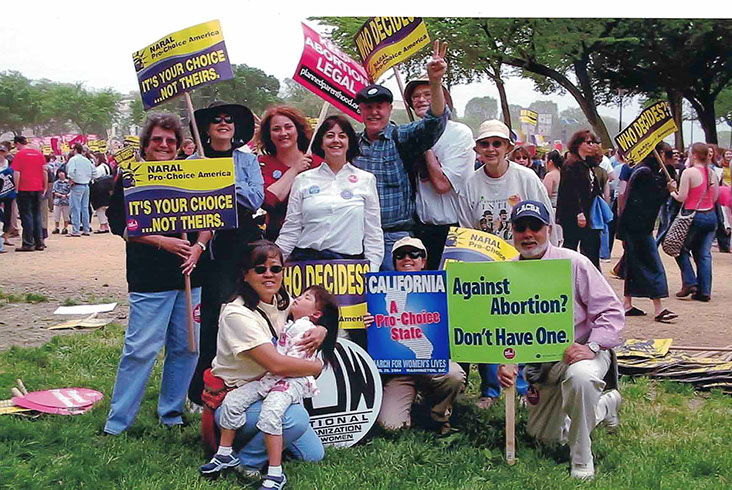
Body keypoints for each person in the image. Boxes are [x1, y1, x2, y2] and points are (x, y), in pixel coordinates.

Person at [497, 200, 624, 480]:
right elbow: (504, 325)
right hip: (542, 366)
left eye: (535, 227)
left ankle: (582, 459)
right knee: (545, 438)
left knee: (581, 379)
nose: (528, 234)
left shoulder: (575, 263)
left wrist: (591, 346)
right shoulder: (506, 272)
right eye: (520, 228)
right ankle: (605, 405)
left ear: (549, 230)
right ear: (512, 232)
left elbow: (612, 312)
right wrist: (504, 360)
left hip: (582, 353)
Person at [103, 112, 211, 435]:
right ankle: (118, 422)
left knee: (187, 347)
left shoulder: (192, 174)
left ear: (179, 145)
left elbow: (211, 216)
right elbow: (119, 224)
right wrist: (163, 241)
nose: (164, 145)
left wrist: (198, 247)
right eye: (157, 140)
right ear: (146, 144)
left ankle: (172, 413)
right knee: (140, 350)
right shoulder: (131, 177)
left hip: (190, 276)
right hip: (149, 278)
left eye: (170, 141)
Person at [203, 240, 326, 481]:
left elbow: (311, 315)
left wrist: (322, 330)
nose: (269, 275)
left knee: (313, 455)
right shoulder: (236, 313)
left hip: (270, 389)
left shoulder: (280, 299)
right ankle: (245, 461)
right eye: (260, 269)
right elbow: (276, 365)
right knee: (296, 419)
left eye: (275, 268)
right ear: (245, 274)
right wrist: (316, 367)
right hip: (236, 399)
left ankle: (266, 439)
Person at [457, 119, 555, 409]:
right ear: (477, 149)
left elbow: (548, 221)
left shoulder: (526, 178)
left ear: (508, 147)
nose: (491, 149)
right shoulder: (470, 185)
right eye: (485, 144)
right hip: (488, 269)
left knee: (522, 325)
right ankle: (490, 390)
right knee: (491, 329)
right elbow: (467, 230)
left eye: (497, 143)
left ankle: (524, 388)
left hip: (525, 264)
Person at [187, 101, 265, 408]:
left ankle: (245, 381)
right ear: (206, 129)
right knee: (211, 319)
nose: (223, 123)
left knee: (246, 312)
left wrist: (223, 180)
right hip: (209, 249)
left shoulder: (247, 161)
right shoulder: (192, 162)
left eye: (228, 120)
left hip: (242, 244)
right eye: (216, 119)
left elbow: (255, 197)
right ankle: (201, 389)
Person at [352, 41, 450, 270]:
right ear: (360, 111)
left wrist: (435, 82)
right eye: (368, 107)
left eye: (380, 106)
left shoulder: (402, 137)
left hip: (396, 239)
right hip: (357, 238)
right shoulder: (350, 145)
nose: (374, 112)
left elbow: (434, 122)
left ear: (389, 109)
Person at [363, 237, 466, 434]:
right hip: (399, 371)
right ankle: (413, 405)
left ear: (423, 261)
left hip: (432, 364)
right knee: (390, 426)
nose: (407, 258)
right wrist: (369, 325)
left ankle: (438, 415)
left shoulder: (440, 288)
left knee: (454, 375)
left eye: (414, 254)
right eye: (400, 255)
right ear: (394, 262)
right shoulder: (379, 290)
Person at [277, 115, 384, 272]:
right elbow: (291, 228)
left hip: (349, 268)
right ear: (321, 143)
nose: (336, 140)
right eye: (329, 135)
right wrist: (275, 263)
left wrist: (371, 270)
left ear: (349, 142)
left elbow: (373, 233)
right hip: (307, 266)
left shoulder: (366, 180)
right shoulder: (303, 180)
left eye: (342, 136)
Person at [403, 75, 476, 270]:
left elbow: (442, 184)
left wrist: (425, 144)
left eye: (428, 94)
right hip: (421, 229)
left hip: (454, 230)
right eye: (415, 96)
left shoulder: (459, 133)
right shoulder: (410, 133)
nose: (420, 100)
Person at [617, 143, 677, 322]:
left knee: (632, 265)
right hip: (639, 227)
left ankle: (627, 304)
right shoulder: (645, 173)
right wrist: (667, 191)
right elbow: (650, 200)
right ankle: (659, 309)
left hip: (634, 226)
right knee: (652, 264)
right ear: (659, 153)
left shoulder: (642, 170)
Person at [255, 106, 320, 241]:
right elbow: (268, 201)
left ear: (298, 130)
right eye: (276, 129)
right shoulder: (261, 164)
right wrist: (295, 169)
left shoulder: (318, 163)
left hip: (314, 239)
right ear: (269, 134)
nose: (283, 133)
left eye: (288, 127)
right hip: (276, 239)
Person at [670, 142, 720, 302]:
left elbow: (682, 197)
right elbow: (715, 197)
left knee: (679, 248)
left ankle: (690, 282)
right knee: (704, 253)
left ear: (696, 155)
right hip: (710, 215)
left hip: (693, 215)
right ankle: (705, 290)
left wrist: (672, 192)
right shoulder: (712, 173)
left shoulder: (689, 172)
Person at [556, 130, 604, 268]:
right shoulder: (571, 164)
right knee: (571, 246)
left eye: (593, 142)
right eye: (588, 142)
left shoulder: (587, 164)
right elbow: (570, 192)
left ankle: (591, 274)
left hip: (588, 213)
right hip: (573, 215)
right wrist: (579, 212)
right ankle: (566, 274)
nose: (591, 145)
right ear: (578, 144)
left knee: (591, 247)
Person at [12, 136, 47, 251]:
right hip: (37, 187)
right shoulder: (39, 154)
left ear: (17, 143)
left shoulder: (19, 155)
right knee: (37, 214)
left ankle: (28, 242)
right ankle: (39, 242)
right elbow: (44, 171)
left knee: (26, 215)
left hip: (24, 188)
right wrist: (45, 186)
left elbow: (17, 173)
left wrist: (16, 188)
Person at [66, 143, 95, 237]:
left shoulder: (73, 160)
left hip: (77, 185)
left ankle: (76, 230)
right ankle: (86, 229)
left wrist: (71, 180)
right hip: (86, 185)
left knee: (76, 208)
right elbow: (94, 172)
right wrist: (89, 178)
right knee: (85, 208)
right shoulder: (87, 160)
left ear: (75, 150)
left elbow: (71, 172)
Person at [0, 144, 17, 246]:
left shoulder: (9, 162)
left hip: (8, 192)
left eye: (3, 152)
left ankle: (6, 237)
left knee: (8, 215)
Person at [51, 169, 71, 234]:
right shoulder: (56, 183)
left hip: (66, 201)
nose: (61, 174)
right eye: (59, 173)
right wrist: (59, 195)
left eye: (62, 173)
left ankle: (65, 228)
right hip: (57, 201)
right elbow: (54, 191)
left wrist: (66, 195)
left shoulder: (68, 182)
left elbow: (71, 191)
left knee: (66, 215)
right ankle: (57, 227)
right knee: (56, 215)